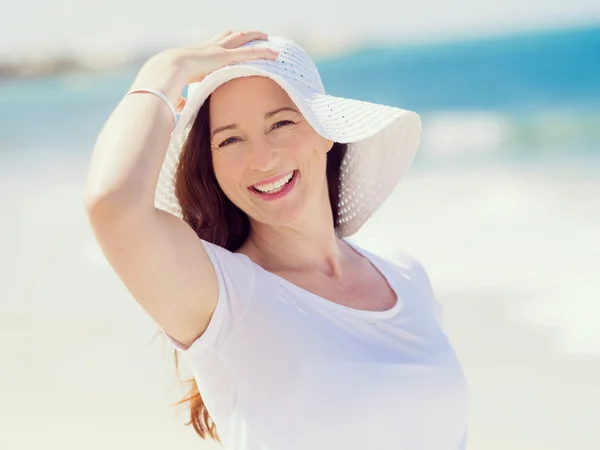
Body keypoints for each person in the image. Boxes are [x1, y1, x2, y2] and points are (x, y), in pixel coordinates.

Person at [84, 30, 469, 450]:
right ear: (211, 165)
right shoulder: (224, 295)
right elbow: (114, 205)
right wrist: (162, 72)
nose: (262, 158)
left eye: (281, 123)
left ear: (326, 131)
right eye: (230, 139)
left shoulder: (403, 273)